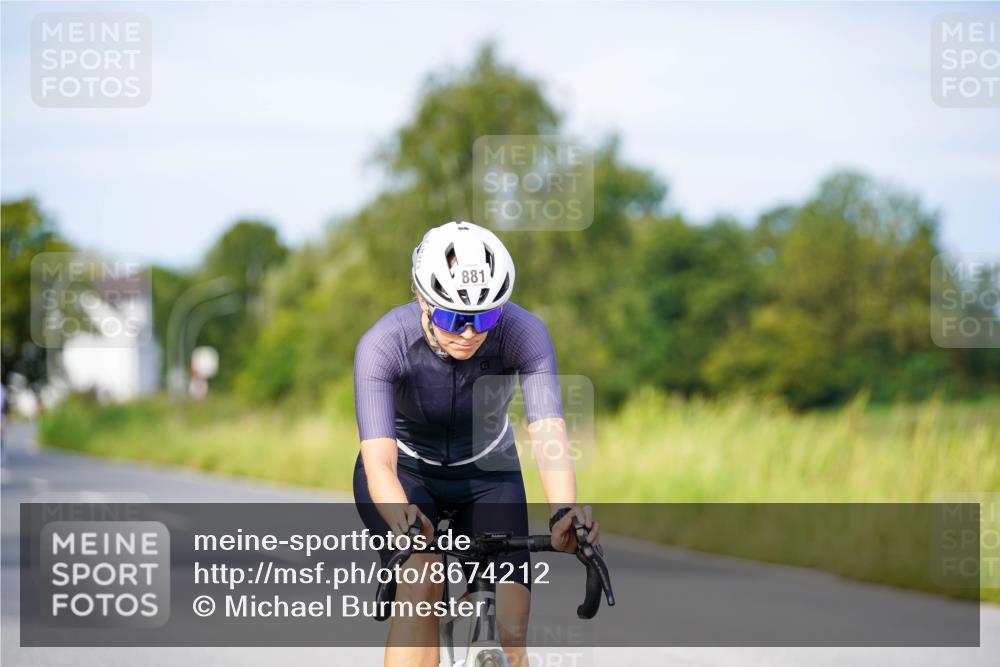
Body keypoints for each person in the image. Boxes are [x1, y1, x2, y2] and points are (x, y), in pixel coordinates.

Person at [353, 220, 599, 667]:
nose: (469, 333)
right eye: (453, 317)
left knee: (510, 629)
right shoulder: (383, 343)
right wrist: (401, 518)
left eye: (485, 317)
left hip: (488, 472)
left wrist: (564, 510)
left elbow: (547, 431)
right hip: (407, 472)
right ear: (423, 300)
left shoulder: (524, 332)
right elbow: (379, 464)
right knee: (422, 582)